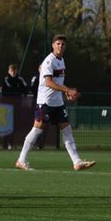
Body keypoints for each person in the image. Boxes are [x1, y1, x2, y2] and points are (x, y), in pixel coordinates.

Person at [16, 35, 95, 173]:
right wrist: (68, 90)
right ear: (53, 45)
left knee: (67, 129)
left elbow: (58, 82)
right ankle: (21, 160)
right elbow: (49, 82)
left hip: (57, 103)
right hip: (45, 102)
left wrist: (66, 93)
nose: (60, 46)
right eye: (58, 43)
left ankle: (77, 162)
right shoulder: (49, 61)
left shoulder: (61, 60)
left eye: (63, 44)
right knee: (37, 129)